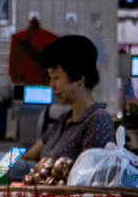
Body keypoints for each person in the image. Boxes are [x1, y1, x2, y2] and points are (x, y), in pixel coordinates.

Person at [21, 35, 116, 165]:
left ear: (79, 78)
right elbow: (30, 157)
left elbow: (85, 176)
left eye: (56, 78)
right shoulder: (63, 120)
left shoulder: (98, 121)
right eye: (50, 78)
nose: (51, 85)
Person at [9, 13, 58, 84]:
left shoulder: (17, 38)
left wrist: (15, 79)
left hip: (25, 80)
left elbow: (13, 63)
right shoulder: (52, 38)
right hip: (45, 81)